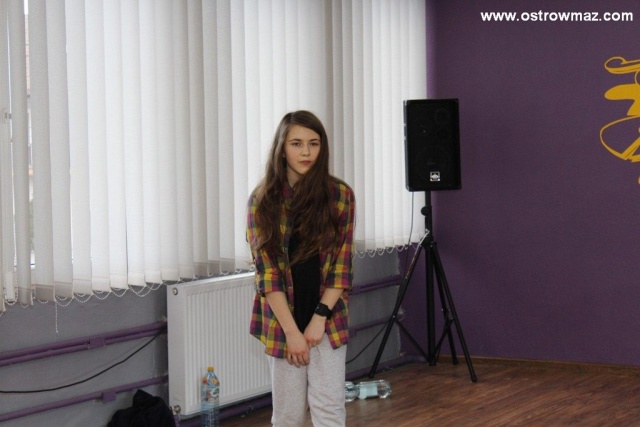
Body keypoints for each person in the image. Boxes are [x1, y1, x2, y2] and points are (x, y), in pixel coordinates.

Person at [246, 110, 356, 427]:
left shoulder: (340, 196)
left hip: (327, 319)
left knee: (329, 411)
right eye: (296, 144)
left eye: (313, 143)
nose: (306, 152)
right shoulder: (262, 200)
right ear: (282, 148)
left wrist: (319, 318)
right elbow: (268, 275)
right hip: (283, 322)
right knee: (288, 416)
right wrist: (292, 333)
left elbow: (342, 266)